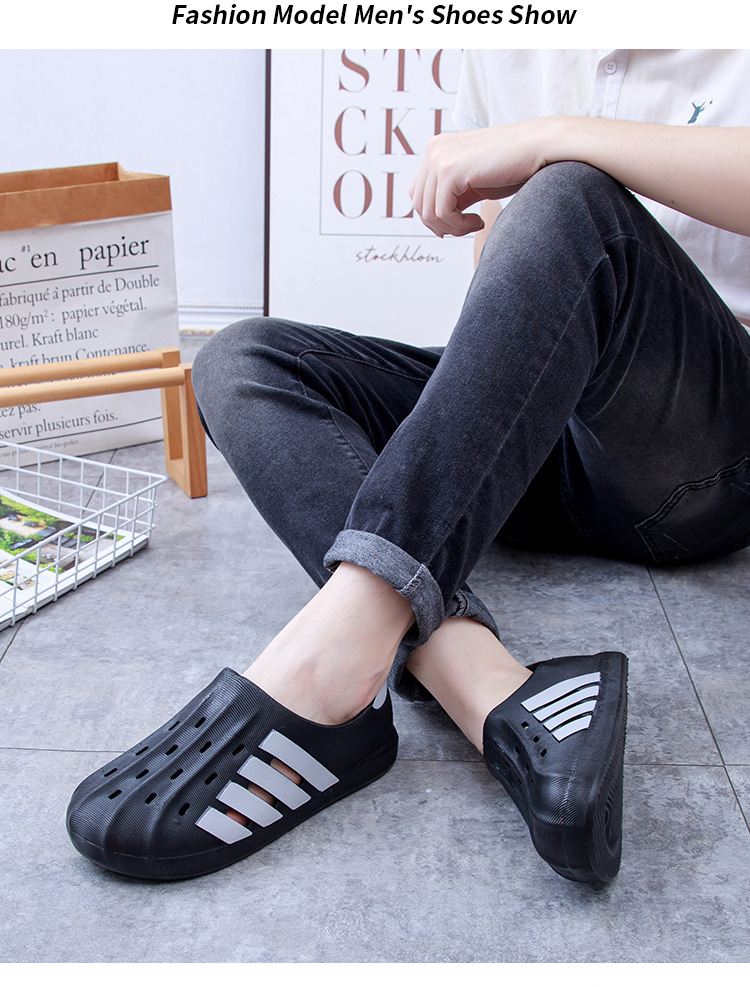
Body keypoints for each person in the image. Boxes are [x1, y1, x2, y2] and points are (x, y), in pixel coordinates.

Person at [66, 50, 750, 886]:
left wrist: (553, 138)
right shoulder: (512, 43)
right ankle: (478, 679)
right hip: (549, 435)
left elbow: (572, 212)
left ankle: (339, 657)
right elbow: (510, 278)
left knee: (570, 192)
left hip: (701, 447)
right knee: (241, 361)